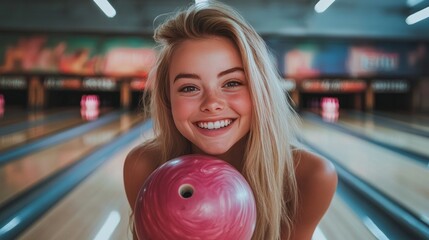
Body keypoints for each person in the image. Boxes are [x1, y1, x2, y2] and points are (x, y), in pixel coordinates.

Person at [123, 1, 337, 239]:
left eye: (232, 83)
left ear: (260, 88)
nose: (212, 103)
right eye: (189, 87)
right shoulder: (143, 167)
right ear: (167, 99)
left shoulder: (309, 177)